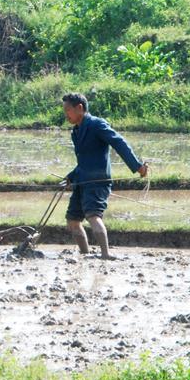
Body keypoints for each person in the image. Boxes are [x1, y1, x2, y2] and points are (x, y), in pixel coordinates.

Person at [61, 93, 148, 259]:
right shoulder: (76, 131)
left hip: (97, 182)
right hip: (82, 181)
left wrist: (137, 166)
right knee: (72, 221)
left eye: (68, 110)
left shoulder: (96, 124)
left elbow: (119, 143)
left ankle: (106, 254)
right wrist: (70, 177)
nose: (66, 114)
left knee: (93, 216)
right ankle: (85, 254)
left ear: (79, 108)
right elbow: (84, 161)